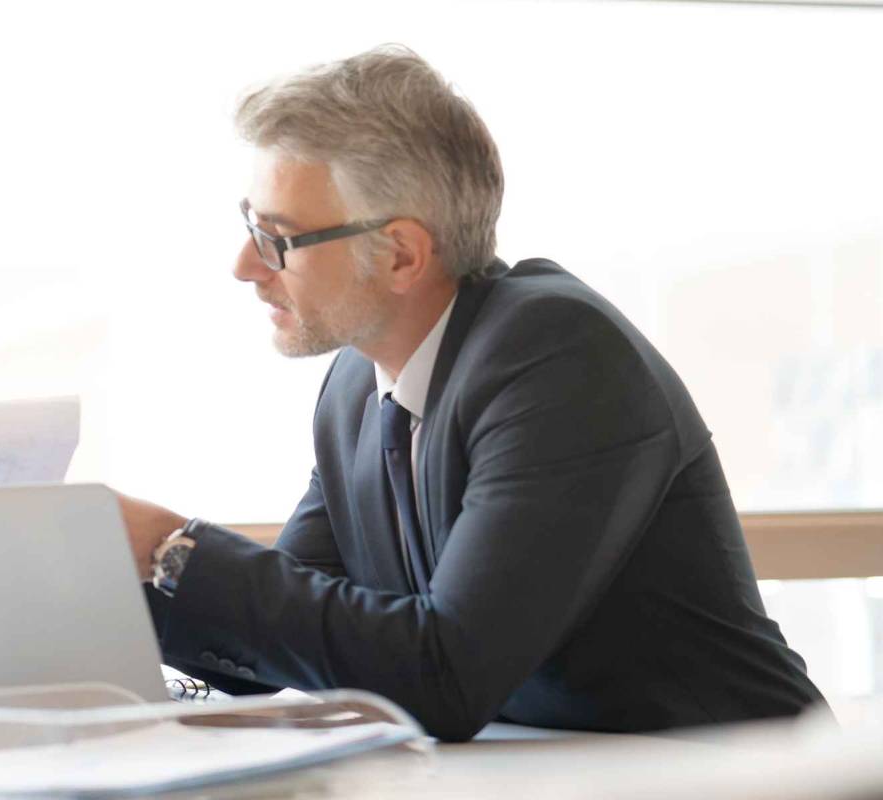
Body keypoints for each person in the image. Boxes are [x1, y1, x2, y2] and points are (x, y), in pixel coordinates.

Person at [115, 46, 823, 741]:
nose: (244, 266)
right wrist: (109, 571)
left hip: (739, 773)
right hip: (559, 772)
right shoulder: (356, 391)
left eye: (277, 238)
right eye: (250, 225)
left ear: (401, 255)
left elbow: (446, 675)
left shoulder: (559, 358)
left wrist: (180, 551)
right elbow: (282, 636)